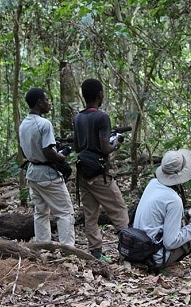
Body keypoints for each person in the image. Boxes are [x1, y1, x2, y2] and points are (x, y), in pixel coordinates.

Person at [73, 78, 129, 261]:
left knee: (90, 214)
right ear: (100, 95)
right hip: (99, 174)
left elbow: (76, 146)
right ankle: (128, 248)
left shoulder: (78, 118)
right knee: (119, 210)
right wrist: (116, 143)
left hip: (82, 172)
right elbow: (105, 148)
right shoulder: (102, 117)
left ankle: (95, 252)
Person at [132, 149, 191, 273]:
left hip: (138, 248)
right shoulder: (174, 200)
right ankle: (165, 265)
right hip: (154, 257)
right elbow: (170, 242)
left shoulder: (153, 184)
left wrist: (188, 214)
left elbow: (159, 216)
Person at [19, 88, 76, 246]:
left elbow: (25, 151)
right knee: (65, 212)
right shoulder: (44, 124)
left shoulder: (23, 124)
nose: (49, 103)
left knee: (41, 212)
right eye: (46, 100)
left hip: (32, 173)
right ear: (39, 102)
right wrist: (63, 154)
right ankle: (68, 250)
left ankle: (42, 246)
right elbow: (48, 153)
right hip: (48, 175)